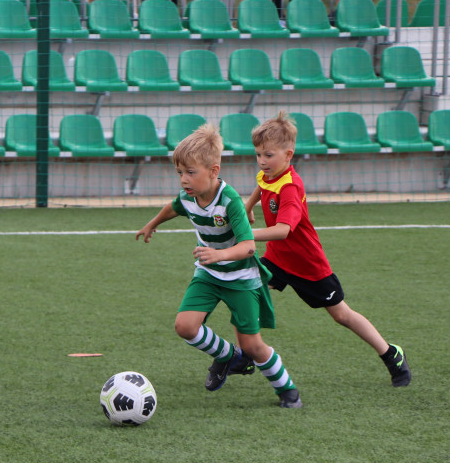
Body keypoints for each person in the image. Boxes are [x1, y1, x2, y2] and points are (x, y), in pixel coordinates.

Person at [136, 123, 303, 409]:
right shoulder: (188, 197)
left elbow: (249, 245)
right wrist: (153, 223)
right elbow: (173, 207)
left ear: (214, 171)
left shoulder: (230, 201)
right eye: (180, 173)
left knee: (253, 345)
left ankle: (287, 389)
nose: (184, 180)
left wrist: (219, 254)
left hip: (241, 278)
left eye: (191, 173)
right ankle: (228, 357)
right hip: (209, 275)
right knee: (185, 327)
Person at [243, 111, 411, 387]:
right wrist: (249, 207)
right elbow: (261, 186)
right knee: (249, 289)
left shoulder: (291, 188)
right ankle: (248, 352)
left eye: (268, 155)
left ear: (289, 154)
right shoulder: (270, 173)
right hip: (278, 258)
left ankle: (391, 354)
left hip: (308, 265)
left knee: (341, 315)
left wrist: (246, 234)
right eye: (258, 155)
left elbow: (284, 231)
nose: (262, 161)